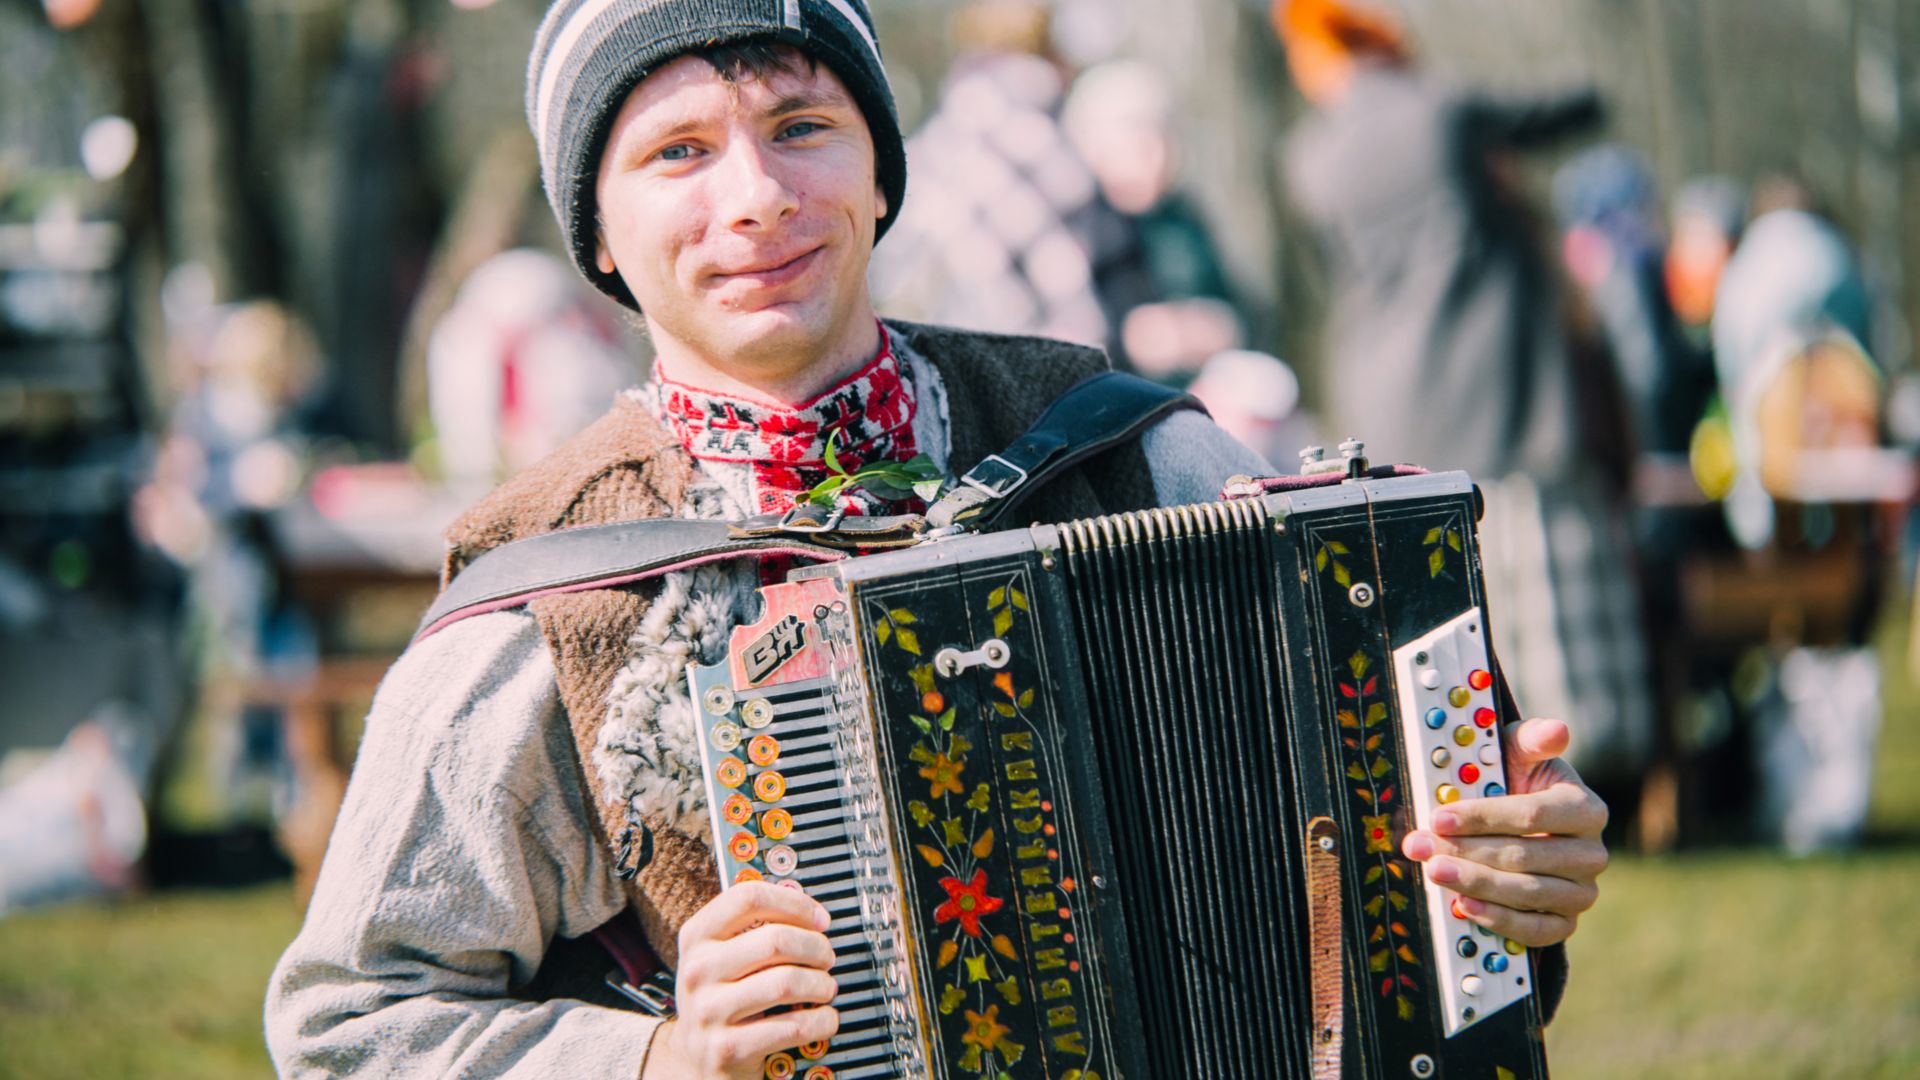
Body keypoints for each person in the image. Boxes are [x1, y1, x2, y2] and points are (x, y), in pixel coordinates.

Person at [265, 3, 1610, 1076]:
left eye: (802, 125)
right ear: (598, 235)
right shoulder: (543, 602)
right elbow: (350, 1024)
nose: (755, 197)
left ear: (878, 168)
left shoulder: (1139, 452)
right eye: (677, 152)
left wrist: (1508, 882)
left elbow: (1412, 891)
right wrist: (661, 1060)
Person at [1276, 0, 1655, 795]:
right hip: (1502, 390)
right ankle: (1579, 769)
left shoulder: (1307, 157)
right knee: (1541, 582)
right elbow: (1567, 106)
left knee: (1441, 602)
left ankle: (1461, 770)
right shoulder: (1441, 111)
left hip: (1393, 406)